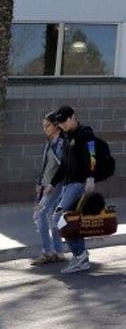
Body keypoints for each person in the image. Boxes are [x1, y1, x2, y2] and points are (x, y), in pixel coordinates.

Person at [51, 105, 99, 274]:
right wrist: (52, 183)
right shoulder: (66, 136)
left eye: (64, 121)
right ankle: (80, 256)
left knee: (59, 219)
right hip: (67, 185)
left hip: (78, 184)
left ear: (73, 117)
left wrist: (91, 178)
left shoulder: (85, 133)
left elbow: (93, 156)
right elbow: (64, 164)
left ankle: (80, 255)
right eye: (60, 122)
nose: (62, 125)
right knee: (69, 221)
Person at [30, 111, 66, 266]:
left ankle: (48, 252)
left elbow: (63, 166)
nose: (44, 128)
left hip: (55, 186)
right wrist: (40, 183)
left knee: (39, 215)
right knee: (52, 218)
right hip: (46, 185)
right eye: (43, 126)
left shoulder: (62, 143)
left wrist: (51, 184)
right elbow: (45, 165)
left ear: (57, 125)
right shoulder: (49, 142)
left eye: (47, 125)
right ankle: (58, 252)